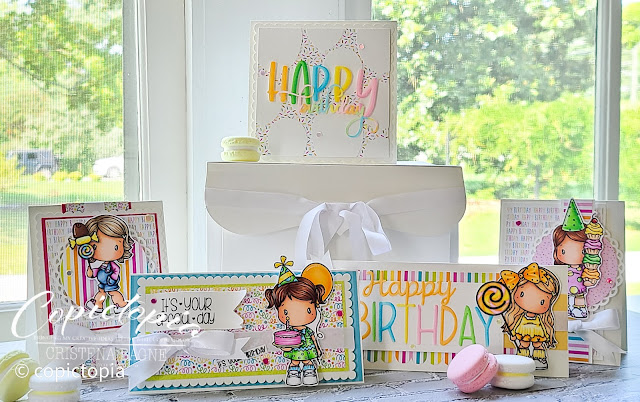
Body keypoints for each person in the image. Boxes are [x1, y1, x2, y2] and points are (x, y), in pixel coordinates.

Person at [265, 258, 326, 386]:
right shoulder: (289, 334)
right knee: (294, 362)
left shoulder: (308, 331)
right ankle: (293, 374)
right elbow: (284, 343)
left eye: (308, 310)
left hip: (307, 349)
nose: (298, 316)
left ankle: (310, 373)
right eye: (286, 312)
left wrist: (318, 350)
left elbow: (314, 339)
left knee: (308, 361)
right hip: (295, 350)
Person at [501, 263, 561, 370]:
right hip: (523, 330)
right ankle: (522, 360)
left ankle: (539, 359)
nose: (531, 304)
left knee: (538, 344)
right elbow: (516, 325)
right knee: (523, 344)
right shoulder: (519, 317)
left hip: (537, 330)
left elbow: (546, 327)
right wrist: (513, 334)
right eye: (522, 294)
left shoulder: (542, 319)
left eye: (542, 301)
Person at [83, 215, 133, 314]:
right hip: (102, 282)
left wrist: (112, 279)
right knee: (101, 292)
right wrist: (90, 272)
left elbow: (116, 270)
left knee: (113, 292)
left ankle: (122, 304)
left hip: (110, 281)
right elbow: (93, 273)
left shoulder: (112, 265)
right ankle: (98, 305)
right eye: (96, 247)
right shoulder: (97, 264)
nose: (106, 252)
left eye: (115, 247)